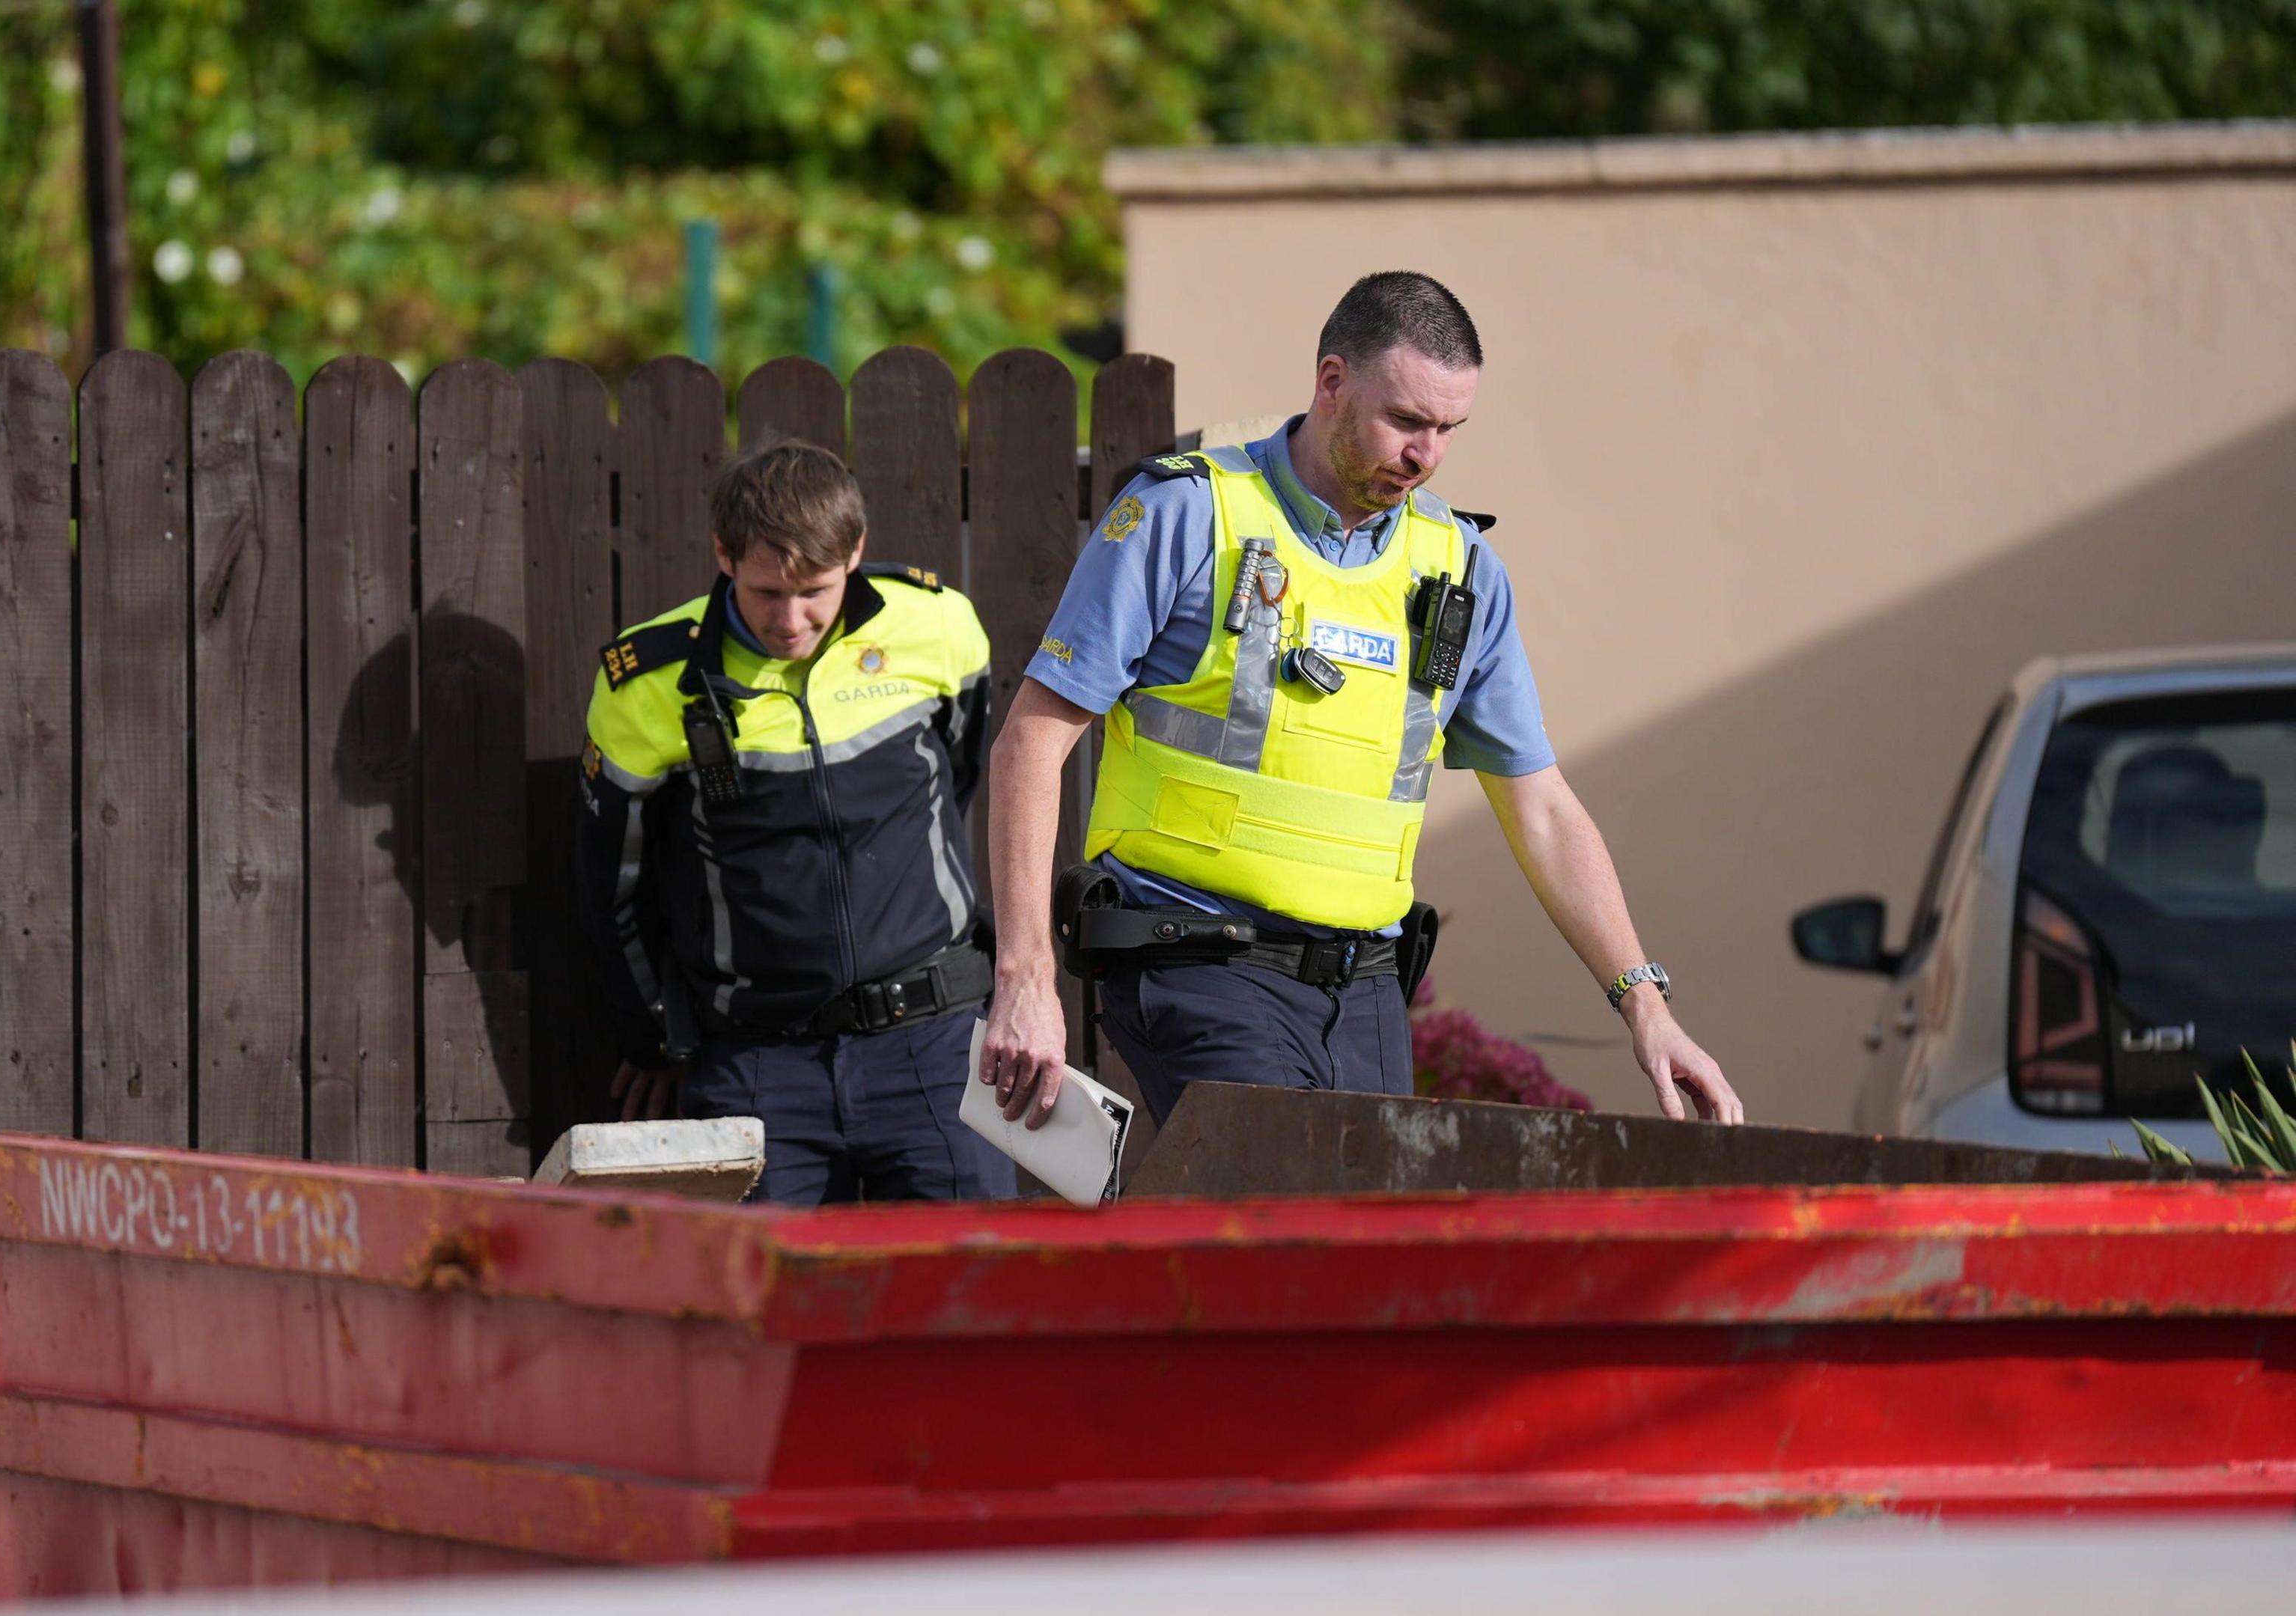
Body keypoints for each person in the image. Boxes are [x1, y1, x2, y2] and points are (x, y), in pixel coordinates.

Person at [978, 272, 1744, 1129]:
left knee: (1355, 1251)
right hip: (1196, 958)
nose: (1428, 455)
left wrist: (1647, 1005)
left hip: (1366, 991)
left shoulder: (1458, 568)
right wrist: (1026, 978)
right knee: (1284, 1219)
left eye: (1451, 428)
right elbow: (1030, 744)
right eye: (1408, 421)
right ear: (1332, 380)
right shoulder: (1186, 515)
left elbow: (1544, 809)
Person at [575, 441, 1015, 1203]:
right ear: (722, 553)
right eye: (764, 592)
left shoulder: (939, 625)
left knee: (970, 1300)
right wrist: (652, 1036)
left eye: (814, 590)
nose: (790, 619)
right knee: (770, 1313)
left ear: (856, 553)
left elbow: (962, 774)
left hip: (934, 1044)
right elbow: (610, 883)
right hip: (758, 1064)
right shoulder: (645, 681)